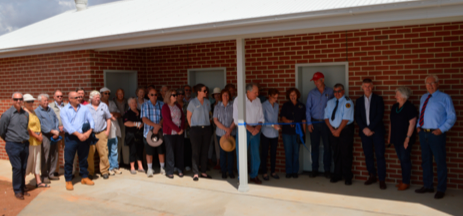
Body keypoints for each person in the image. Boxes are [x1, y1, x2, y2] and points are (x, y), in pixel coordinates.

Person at [415, 75, 456, 199]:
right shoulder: (424, 97)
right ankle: (428, 186)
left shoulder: (445, 98)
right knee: (426, 161)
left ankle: (441, 188)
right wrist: (418, 126)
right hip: (423, 133)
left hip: (436, 134)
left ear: (438, 84)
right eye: (428, 83)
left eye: (432, 83)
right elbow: (422, 113)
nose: (430, 85)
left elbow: (452, 116)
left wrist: (441, 130)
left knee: (440, 162)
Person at [355, 79, 387, 189]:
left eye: (369, 86)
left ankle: (382, 179)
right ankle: (372, 175)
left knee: (380, 155)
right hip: (364, 132)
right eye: (365, 86)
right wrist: (364, 129)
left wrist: (370, 128)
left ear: (372, 87)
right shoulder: (359, 101)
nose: (367, 88)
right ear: (362, 87)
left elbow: (380, 115)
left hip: (376, 131)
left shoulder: (378, 99)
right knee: (368, 155)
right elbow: (357, 116)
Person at [60, 91, 95, 191]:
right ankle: (68, 180)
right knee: (69, 159)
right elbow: (67, 126)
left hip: (84, 136)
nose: (79, 98)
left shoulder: (84, 108)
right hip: (71, 138)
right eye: (76, 97)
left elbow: (91, 120)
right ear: (70, 99)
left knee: (84, 158)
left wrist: (88, 133)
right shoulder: (64, 110)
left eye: (79, 97)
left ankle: (84, 177)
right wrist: (79, 135)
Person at [233, 83, 265, 184]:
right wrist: (250, 129)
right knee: (241, 154)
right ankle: (241, 177)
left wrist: (258, 127)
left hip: (256, 130)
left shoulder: (258, 100)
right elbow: (236, 119)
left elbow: (261, 117)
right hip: (243, 130)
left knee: (255, 154)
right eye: (255, 92)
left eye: (257, 92)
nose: (257, 94)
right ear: (248, 92)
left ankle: (254, 175)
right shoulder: (238, 100)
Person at [0, 92, 30, 200]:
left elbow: (26, 127)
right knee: (17, 167)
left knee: (23, 167)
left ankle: (22, 187)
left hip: (25, 144)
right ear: (12, 100)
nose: (18, 101)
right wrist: (10, 140)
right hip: (13, 145)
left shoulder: (25, 114)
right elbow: (2, 131)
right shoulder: (7, 114)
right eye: (16, 99)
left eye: (20, 99)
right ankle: (17, 190)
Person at [324, 84, 354, 185]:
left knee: (346, 154)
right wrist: (332, 130)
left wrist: (338, 130)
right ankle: (337, 175)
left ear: (343, 91)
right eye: (335, 91)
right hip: (333, 131)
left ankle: (347, 176)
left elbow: (346, 119)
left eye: (339, 91)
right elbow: (326, 117)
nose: (337, 93)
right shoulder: (330, 102)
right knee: (336, 153)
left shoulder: (347, 102)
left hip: (345, 131)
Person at [305, 72, 333, 178]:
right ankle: (314, 169)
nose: (316, 83)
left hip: (327, 124)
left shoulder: (331, 92)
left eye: (317, 80)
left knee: (327, 147)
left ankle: (327, 170)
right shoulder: (312, 93)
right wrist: (309, 123)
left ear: (323, 80)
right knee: (315, 147)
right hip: (314, 123)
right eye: (314, 81)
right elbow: (308, 109)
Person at [389, 87, 417, 191]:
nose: (395, 96)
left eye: (397, 95)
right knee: (401, 159)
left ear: (404, 96)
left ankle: (406, 182)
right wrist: (389, 136)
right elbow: (391, 122)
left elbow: (412, 123)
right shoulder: (394, 106)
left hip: (405, 139)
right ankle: (404, 180)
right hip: (396, 138)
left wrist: (407, 138)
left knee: (405, 159)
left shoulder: (410, 107)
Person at [22, 94, 49, 189]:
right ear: (24, 102)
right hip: (30, 140)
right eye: (28, 101)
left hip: (37, 140)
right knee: (29, 161)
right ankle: (22, 183)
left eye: (32, 101)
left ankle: (38, 181)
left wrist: (40, 134)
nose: (31, 103)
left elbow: (38, 124)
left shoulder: (33, 111)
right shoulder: (24, 113)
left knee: (37, 161)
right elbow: (27, 128)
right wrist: (37, 136)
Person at [187, 84, 213, 181]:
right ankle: (195, 173)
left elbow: (209, 114)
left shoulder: (207, 102)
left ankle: (203, 172)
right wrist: (192, 127)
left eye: (206, 91)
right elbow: (188, 116)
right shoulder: (192, 102)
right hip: (196, 129)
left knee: (205, 151)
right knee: (195, 152)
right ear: (198, 91)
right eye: (204, 91)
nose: (206, 92)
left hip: (206, 129)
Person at [281, 88, 306, 178]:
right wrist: (289, 121)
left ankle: (295, 171)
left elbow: (304, 120)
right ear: (288, 96)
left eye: (294, 94)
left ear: (297, 95)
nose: (293, 96)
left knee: (296, 152)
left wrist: (304, 133)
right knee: (288, 152)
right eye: (291, 95)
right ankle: (289, 171)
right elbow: (282, 118)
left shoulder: (302, 106)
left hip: (298, 133)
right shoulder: (285, 105)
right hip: (287, 133)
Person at [86, 90, 112, 180]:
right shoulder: (86, 107)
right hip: (90, 133)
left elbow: (108, 119)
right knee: (90, 154)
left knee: (103, 153)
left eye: (98, 97)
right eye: (96, 97)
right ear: (91, 98)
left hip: (101, 132)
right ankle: (90, 172)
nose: (98, 99)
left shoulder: (104, 106)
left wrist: (107, 131)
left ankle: (104, 171)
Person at [35, 94, 60, 183]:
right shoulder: (37, 111)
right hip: (45, 136)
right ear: (39, 101)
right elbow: (40, 124)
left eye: (47, 100)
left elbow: (56, 120)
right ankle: (44, 175)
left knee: (54, 154)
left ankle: (51, 174)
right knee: (45, 156)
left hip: (54, 135)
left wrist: (56, 131)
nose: (46, 102)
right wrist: (52, 131)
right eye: (44, 100)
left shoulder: (50, 110)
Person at [141, 88, 165, 177]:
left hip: (160, 132)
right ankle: (150, 169)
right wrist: (155, 125)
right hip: (148, 133)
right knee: (149, 152)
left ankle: (162, 168)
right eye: (152, 95)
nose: (154, 96)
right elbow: (144, 119)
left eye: (155, 94)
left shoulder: (162, 104)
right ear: (148, 95)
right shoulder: (144, 105)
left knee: (161, 152)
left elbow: (164, 117)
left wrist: (158, 126)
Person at [162, 89, 186, 179]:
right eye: (174, 95)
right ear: (169, 97)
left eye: (176, 95)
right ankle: (170, 171)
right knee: (170, 152)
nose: (176, 97)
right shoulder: (165, 107)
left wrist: (181, 128)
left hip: (179, 132)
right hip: (169, 133)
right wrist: (177, 129)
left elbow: (183, 118)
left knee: (180, 151)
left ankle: (180, 170)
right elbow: (167, 121)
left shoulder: (178, 106)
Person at [213, 89, 236, 179]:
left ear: (229, 96)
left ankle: (230, 171)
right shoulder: (217, 107)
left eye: (227, 95)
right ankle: (223, 171)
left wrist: (230, 129)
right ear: (221, 96)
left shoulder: (233, 106)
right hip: (220, 133)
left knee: (230, 153)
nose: (225, 97)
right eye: (224, 95)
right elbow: (215, 120)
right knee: (222, 153)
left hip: (231, 132)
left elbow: (235, 119)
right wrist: (226, 129)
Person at [49, 90, 72, 177]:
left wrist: (65, 127)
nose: (60, 98)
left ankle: (68, 170)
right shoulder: (50, 106)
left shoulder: (67, 105)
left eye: (61, 96)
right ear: (54, 97)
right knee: (56, 152)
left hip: (67, 132)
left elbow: (71, 118)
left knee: (68, 151)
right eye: (58, 96)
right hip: (56, 132)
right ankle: (55, 170)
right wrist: (56, 128)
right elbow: (50, 119)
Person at [100, 87, 122, 175]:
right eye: (105, 93)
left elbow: (119, 113)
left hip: (114, 129)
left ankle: (115, 166)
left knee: (114, 148)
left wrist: (112, 114)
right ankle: (108, 168)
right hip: (105, 129)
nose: (107, 95)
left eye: (108, 93)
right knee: (106, 150)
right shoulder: (99, 104)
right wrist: (110, 115)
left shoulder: (112, 102)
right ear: (101, 94)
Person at [260, 88, 280, 180]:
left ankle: (273, 171)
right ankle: (264, 172)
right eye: (274, 97)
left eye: (277, 98)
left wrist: (277, 126)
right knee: (264, 153)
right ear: (269, 96)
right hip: (265, 132)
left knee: (273, 153)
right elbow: (262, 121)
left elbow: (276, 119)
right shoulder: (263, 105)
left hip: (275, 133)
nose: (276, 99)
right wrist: (273, 125)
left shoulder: (276, 105)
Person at [123, 97, 145, 174]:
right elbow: (126, 123)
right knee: (133, 151)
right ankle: (132, 167)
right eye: (132, 103)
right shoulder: (127, 113)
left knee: (140, 151)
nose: (134, 104)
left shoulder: (140, 111)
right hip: (132, 135)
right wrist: (135, 124)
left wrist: (142, 124)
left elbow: (144, 120)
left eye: (135, 102)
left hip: (140, 135)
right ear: (129, 104)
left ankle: (140, 166)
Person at [177, 88, 192, 172]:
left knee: (187, 147)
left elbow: (190, 115)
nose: (180, 95)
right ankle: (178, 165)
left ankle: (187, 164)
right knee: (178, 148)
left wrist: (187, 124)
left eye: (182, 94)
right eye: (178, 94)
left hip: (187, 129)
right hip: (176, 130)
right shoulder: (174, 105)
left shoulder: (188, 104)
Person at [114, 88, 130, 169]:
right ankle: (118, 162)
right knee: (117, 143)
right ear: (116, 94)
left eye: (122, 93)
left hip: (125, 123)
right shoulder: (113, 102)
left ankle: (126, 162)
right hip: (116, 122)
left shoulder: (127, 102)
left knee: (125, 142)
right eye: (119, 93)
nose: (120, 95)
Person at [209, 87, 221, 170]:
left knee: (219, 145)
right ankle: (212, 161)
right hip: (212, 127)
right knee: (212, 145)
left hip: (221, 128)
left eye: (218, 94)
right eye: (215, 94)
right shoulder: (211, 105)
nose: (216, 95)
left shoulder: (223, 104)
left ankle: (219, 163)